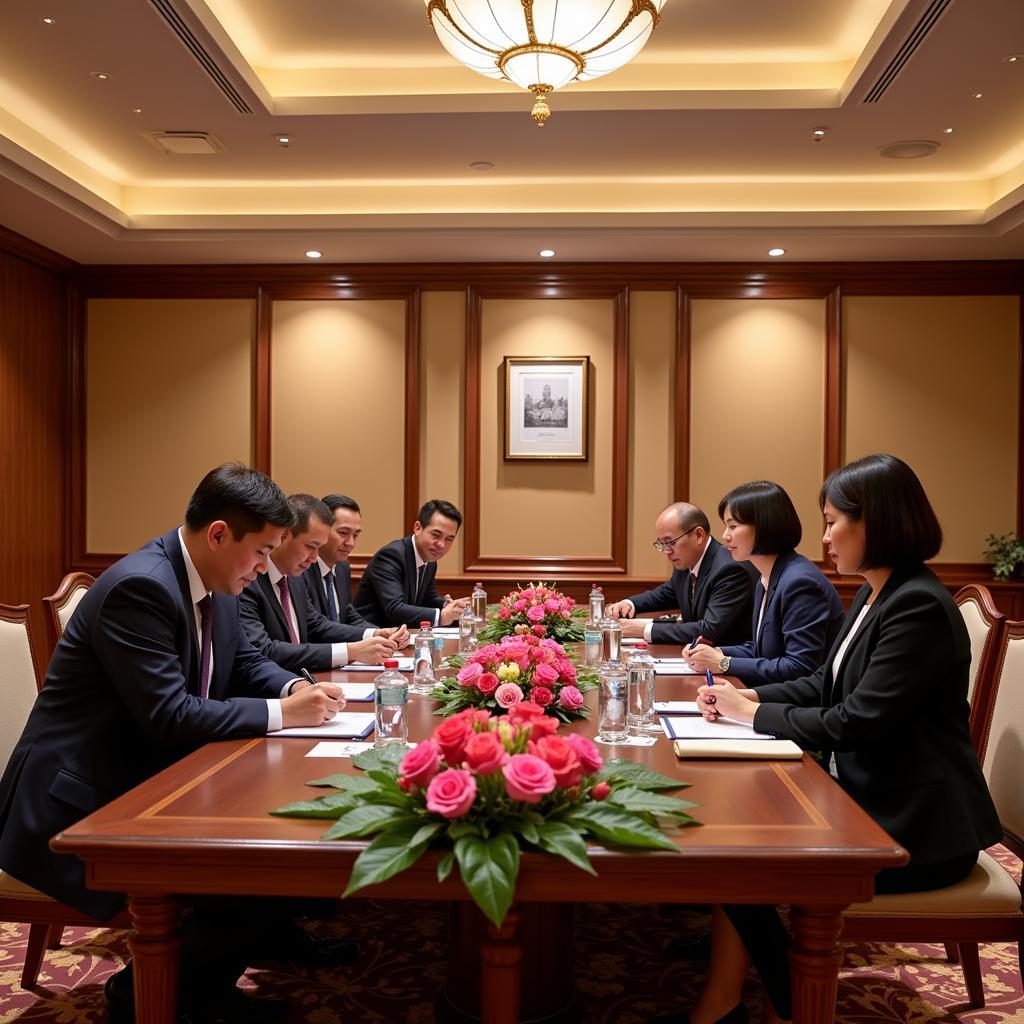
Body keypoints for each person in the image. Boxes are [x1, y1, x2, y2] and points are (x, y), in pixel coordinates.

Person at [655, 455, 1002, 1024]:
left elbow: (856, 720)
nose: (824, 538)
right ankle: (726, 1001)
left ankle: (785, 1004)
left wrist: (753, 716)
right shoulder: (875, 592)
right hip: (873, 791)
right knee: (736, 834)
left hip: (915, 824)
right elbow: (824, 681)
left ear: (878, 522)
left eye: (833, 521)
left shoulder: (915, 603)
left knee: (740, 861)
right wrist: (754, 700)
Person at [0, 464, 352, 1023]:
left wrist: (294, 686)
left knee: (286, 854)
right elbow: (169, 716)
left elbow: (245, 663)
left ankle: (207, 980)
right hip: (77, 804)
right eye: (261, 553)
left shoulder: (221, 581)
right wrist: (280, 712)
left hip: (152, 772)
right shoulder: (141, 587)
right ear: (218, 534)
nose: (264, 568)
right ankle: (144, 993)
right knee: (258, 871)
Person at [682, 481, 844, 686]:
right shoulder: (767, 576)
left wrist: (723, 663)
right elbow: (760, 649)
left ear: (765, 525)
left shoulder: (800, 582)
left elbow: (800, 667)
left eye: (733, 526)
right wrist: (715, 652)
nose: (725, 536)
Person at [240, 493, 401, 673]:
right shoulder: (247, 581)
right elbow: (265, 650)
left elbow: (316, 625)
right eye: (310, 546)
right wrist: (350, 651)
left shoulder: (295, 577)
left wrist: (373, 634)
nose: (315, 558)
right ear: (283, 536)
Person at [605, 502, 757, 646]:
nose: (666, 551)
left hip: (729, 663)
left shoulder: (729, 569)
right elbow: (665, 594)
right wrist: (629, 603)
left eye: (670, 542)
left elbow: (709, 630)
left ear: (698, 535)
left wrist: (644, 629)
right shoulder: (686, 563)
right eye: (661, 544)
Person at [354, 498, 471, 628]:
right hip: (372, 636)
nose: (441, 545)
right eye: (436, 535)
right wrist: (443, 615)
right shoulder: (391, 556)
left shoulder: (430, 560)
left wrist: (448, 606)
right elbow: (395, 609)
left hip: (402, 636)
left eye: (449, 539)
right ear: (418, 528)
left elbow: (428, 598)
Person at [303, 493, 381, 635]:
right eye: (343, 533)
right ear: (322, 529)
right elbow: (315, 626)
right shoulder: (301, 569)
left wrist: (381, 633)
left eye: (355, 535)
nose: (350, 543)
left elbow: (349, 614)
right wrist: (371, 636)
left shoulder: (342, 567)